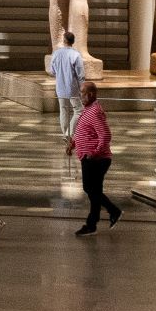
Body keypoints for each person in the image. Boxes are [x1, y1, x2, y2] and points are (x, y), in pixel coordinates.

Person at [67, 79, 122, 235]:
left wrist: (94, 153)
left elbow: (105, 135)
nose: (80, 96)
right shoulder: (88, 110)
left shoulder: (95, 111)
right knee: (94, 191)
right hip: (91, 158)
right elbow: (85, 131)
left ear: (90, 94)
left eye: (82, 93)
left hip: (96, 159)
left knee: (91, 189)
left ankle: (112, 212)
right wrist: (74, 143)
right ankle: (93, 223)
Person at [47, 30, 85, 140]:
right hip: (73, 88)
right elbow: (80, 74)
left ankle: (65, 134)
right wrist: (82, 88)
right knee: (79, 110)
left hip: (60, 87)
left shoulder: (56, 54)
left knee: (63, 110)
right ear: (73, 41)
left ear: (64, 41)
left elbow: (52, 71)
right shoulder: (76, 55)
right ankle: (69, 133)